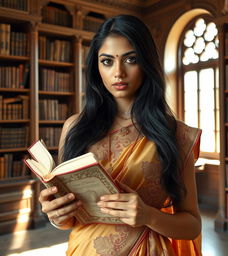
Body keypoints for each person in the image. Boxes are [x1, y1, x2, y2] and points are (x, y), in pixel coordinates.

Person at [39, 14, 202, 256]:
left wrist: (148, 216)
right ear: (97, 67)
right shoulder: (75, 128)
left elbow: (192, 225)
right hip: (84, 250)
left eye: (131, 59)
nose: (118, 73)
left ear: (147, 63)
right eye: (107, 61)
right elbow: (70, 221)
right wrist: (56, 214)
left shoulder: (175, 134)